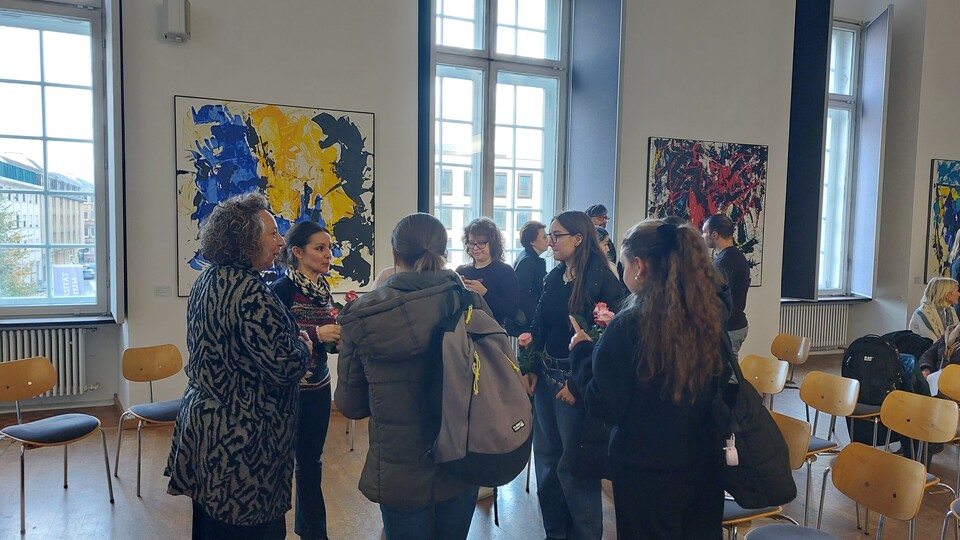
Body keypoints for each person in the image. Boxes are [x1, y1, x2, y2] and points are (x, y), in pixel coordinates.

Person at [166, 192, 312, 539]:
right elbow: (284, 365)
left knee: (209, 527)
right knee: (249, 530)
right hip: (243, 445)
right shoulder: (250, 292)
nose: (280, 241)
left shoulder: (208, 279)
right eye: (273, 234)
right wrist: (303, 348)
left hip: (206, 428)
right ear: (246, 240)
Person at [569, 219, 725, 539]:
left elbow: (605, 404)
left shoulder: (628, 326)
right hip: (703, 464)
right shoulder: (706, 316)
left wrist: (583, 352)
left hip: (646, 471)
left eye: (623, 264)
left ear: (638, 265)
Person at [335, 213, 482, 540]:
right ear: (444, 251)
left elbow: (350, 404)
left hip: (400, 468)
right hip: (462, 458)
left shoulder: (362, 316)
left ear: (395, 255)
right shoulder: (468, 300)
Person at [520, 210, 626, 540]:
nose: (549, 241)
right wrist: (529, 365)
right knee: (547, 462)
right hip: (546, 375)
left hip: (573, 383)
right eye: (549, 235)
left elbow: (609, 343)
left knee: (575, 467)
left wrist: (577, 384)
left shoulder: (603, 279)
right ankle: (556, 533)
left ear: (578, 238)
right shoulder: (555, 276)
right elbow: (538, 325)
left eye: (556, 235)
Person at [271, 221, 341, 540]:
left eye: (329, 248)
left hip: (319, 389)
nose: (328, 255)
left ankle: (314, 533)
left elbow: (327, 342)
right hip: (287, 393)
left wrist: (338, 339)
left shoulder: (323, 290)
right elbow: (274, 343)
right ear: (297, 253)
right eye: (320, 248)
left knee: (311, 464)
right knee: (281, 466)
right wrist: (317, 333)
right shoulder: (281, 291)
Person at [456, 217, 521, 326]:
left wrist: (484, 293)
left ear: (492, 243)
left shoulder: (504, 271)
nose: (475, 248)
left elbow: (511, 311)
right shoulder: (461, 271)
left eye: (481, 243)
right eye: (471, 243)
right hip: (464, 333)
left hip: (492, 335)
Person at [702, 214, 750, 358]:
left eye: (704, 232)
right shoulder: (733, 256)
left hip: (730, 327)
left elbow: (714, 297)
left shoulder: (725, 261)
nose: (702, 236)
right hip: (733, 324)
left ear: (714, 235)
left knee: (729, 376)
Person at [507, 220, 548, 337]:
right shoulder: (528, 260)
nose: (547, 240)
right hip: (526, 323)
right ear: (532, 242)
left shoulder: (527, 257)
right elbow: (522, 294)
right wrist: (537, 318)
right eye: (544, 237)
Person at [909, 276, 960, 341]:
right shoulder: (923, 312)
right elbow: (934, 343)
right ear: (946, 294)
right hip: (926, 350)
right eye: (956, 291)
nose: (959, 294)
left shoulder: (949, 309)